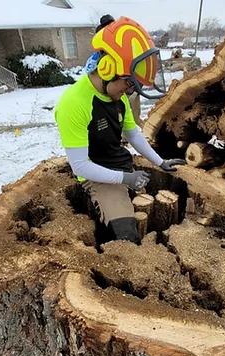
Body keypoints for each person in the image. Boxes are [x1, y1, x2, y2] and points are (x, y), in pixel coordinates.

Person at [55, 16, 185, 244]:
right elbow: (81, 166)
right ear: (107, 69)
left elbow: (133, 133)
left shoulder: (117, 95)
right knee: (126, 236)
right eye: (128, 83)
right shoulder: (74, 103)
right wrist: (125, 178)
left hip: (119, 165)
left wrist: (159, 162)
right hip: (96, 174)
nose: (129, 92)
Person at [85, 14, 142, 125]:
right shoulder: (97, 60)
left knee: (130, 116)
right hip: (109, 93)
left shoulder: (121, 50)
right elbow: (93, 83)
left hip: (120, 88)